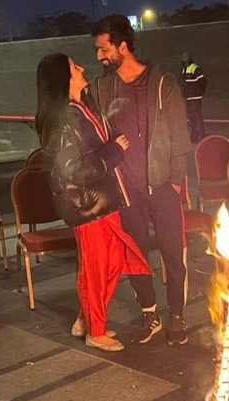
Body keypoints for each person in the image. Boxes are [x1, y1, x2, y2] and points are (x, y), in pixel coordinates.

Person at [35, 52, 151, 352]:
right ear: (64, 78)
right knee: (97, 268)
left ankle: (85, 320)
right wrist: (113, 152)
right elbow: (73, 170)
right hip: (87, 205)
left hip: (99, 201)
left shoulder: (78, 107)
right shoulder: (63, 120)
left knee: (109, 263)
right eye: (75, 67)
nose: (82, 68)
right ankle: (96, 331)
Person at [90, 14, 192, 346]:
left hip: (163, 185)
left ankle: (176, 312)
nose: (99, 56)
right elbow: (92, 133)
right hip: (126, 189)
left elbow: (180, 132)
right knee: (135, 255)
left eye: (103, 49)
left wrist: (176, 179)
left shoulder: (162, 83)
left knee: (172, 253)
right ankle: (150, 313)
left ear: (122, 46)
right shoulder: (102, 88)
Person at [181, 52, 207, 144]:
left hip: (195, 97)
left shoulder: (195, 68)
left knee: (198, 117)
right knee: (192, 118)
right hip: (189, 98)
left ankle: (202, 135)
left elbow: (203, 81)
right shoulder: (184, 69)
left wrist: (199, 92)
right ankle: (194, 136)